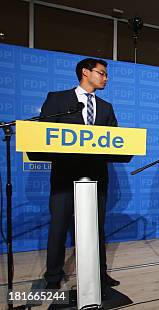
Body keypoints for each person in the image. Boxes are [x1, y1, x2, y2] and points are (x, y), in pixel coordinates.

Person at [40, 58, 120, 289]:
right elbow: (44, 132)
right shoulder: (58, 99)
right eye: (102, 73)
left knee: (97, 227)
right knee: (59, 225)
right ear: (86, 72)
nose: (106, 78)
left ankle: (100, 274)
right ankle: (53, 277)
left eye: (106, 74)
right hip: (65, 176)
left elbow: (115, 141)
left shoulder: (106, 107)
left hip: (96, 176)